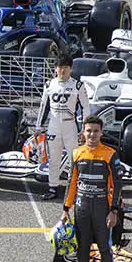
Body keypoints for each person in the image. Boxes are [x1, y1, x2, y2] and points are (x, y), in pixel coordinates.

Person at [61, 117, 123, 262]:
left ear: (101, 132)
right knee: (82, 247)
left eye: (96, 131)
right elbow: (72, 182)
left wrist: (114, 211)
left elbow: (118, 185)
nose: (92, 134)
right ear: (83, 132)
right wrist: (66, 208)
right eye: (89, 131)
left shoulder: (110, 154)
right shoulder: (77, 153)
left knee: (104, 248)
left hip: (102, 208)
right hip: (81, 207)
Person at [37, 55, 85, 200]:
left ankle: (76, 188)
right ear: (55, 69)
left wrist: (84, 128)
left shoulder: (78, 85)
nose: (63, 71)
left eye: (66, 68)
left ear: (71, 69)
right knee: (54, 159)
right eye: (60, 67)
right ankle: (53, 188)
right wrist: (38, 126)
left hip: (70, 125)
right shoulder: (49, 85)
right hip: (54, 125)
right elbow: (43, 107)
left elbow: (85, 107)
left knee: (75, 159)